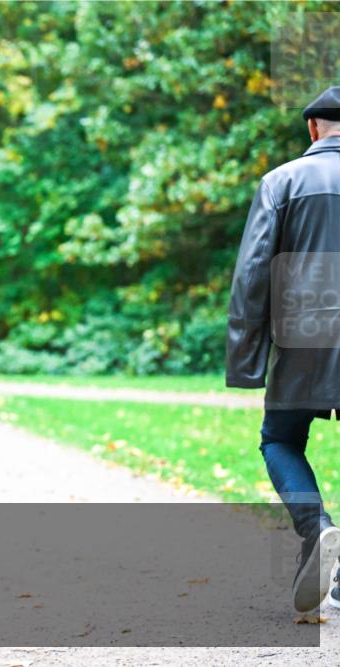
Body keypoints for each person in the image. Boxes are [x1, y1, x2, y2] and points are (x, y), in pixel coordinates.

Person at [226, 85, 340, 613]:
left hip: (304, 333)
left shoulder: (282, 180)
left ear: (313, 128)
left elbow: (253, 273)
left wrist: (247, 357)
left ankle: (316, 527)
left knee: (280, 438)